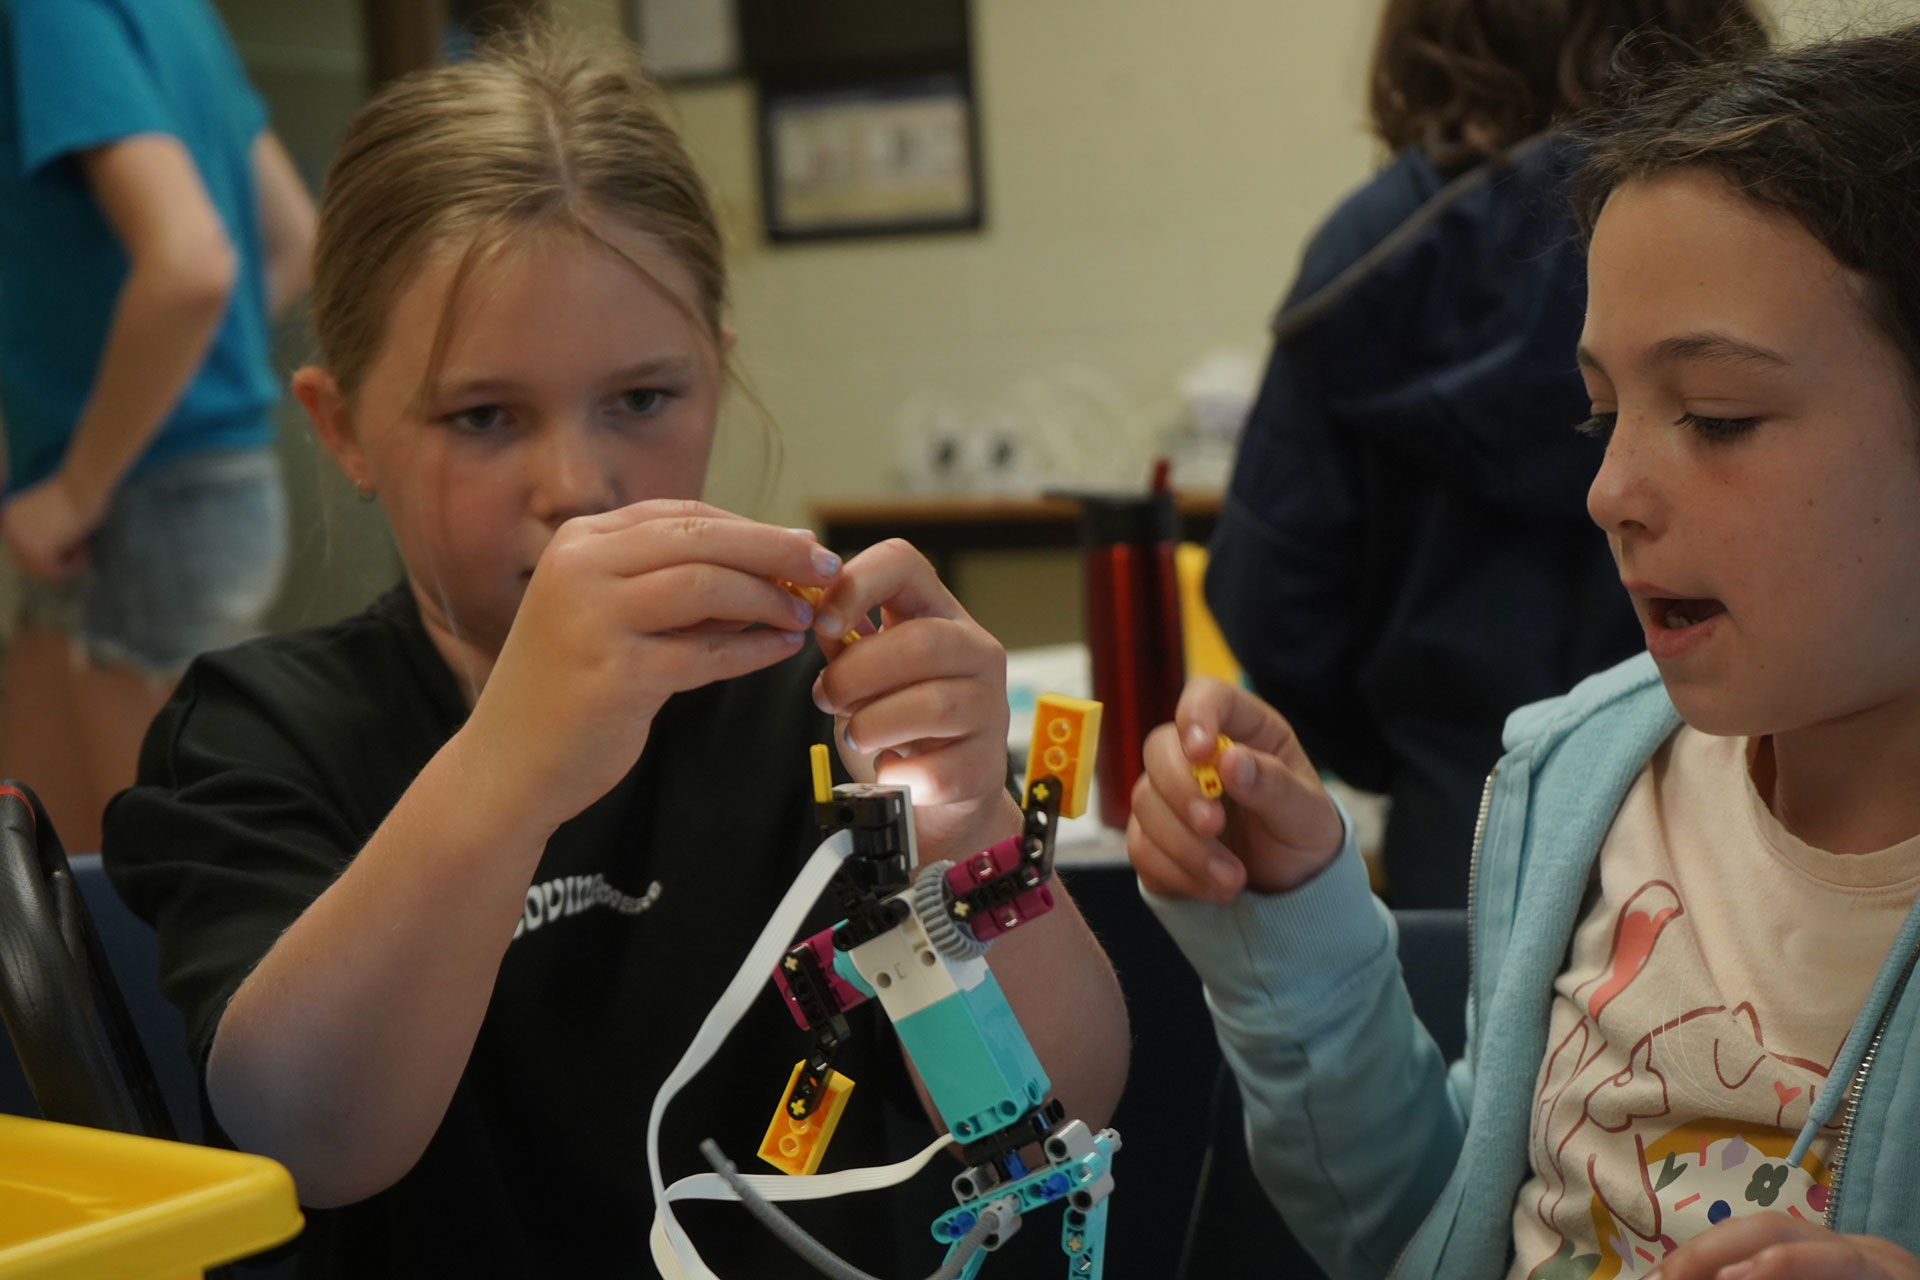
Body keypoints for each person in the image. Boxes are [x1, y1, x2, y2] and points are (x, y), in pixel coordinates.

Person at [100, 25, 1129, 1278]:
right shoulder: (262, 731)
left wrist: (966, 822)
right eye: (483, 416)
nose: (580, 486)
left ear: (719, 373)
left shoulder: (817, 708)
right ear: (342, 427)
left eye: (643, 399)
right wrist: (513, 766)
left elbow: (1054, 1109)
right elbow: (309, 1137)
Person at [1133, 25, 1920, 1280]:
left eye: (1716, 416)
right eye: (1600, 413)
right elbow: (1435, 1226)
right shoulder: (1580, 783)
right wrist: (1300, 921)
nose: (1610, 489)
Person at [1205, 0, 1767, 907]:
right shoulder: (1753, 219)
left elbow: (1272, 593)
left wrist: (1410, 756)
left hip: (1467, 819)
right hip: (1748, 814)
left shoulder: (1366, 250)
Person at [0, 0, 315, 853]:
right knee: (36, 880)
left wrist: (79, 485)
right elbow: (290, 238)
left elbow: (191, 265)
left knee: (162, 903)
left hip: (138, 506)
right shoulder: (171, 13)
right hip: (157, 501)